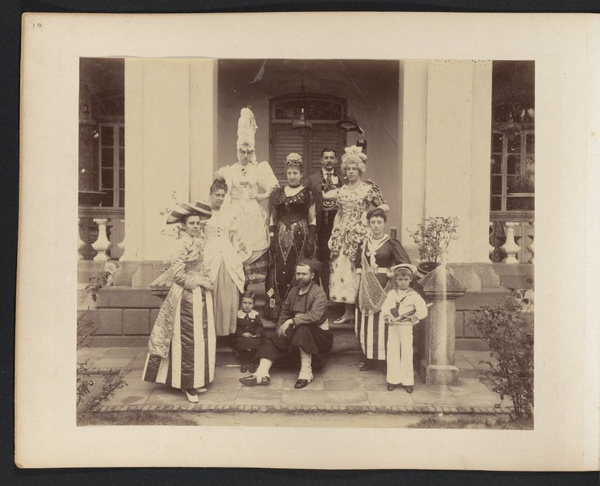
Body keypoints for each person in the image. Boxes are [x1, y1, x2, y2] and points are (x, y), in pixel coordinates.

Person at [142, 201, 215, 403]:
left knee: (199, 339)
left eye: (198, 223)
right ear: (182, 225)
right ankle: (186, 384)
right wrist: (200, 281)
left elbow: (200, 266)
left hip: (200, 295)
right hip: (185, 297)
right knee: (186, 340)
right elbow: (178, 275)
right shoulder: (181, 243)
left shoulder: (197, 241)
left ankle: (195, 378)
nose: (196, 226)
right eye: (192, 223)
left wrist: (207, 279)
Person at [239, 260, 333, 390]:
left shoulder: (319, 293)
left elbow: (315, 316)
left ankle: (306, 373)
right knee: (272, 338)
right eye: (298, 274)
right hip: (298, 335)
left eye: (303, 274)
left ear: (312, 276)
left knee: (303, 329)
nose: (299, 277)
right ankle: (262, 373)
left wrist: (290, 321)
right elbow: (284, 312)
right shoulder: (294, 291)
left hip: (318, 339)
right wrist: (280, 330)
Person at [216, 107, 279, 285]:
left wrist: (259, 196)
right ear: (237, 151)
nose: (245, 155)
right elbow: (220, 194)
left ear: (252, 152)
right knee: (235, 253)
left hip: (252, 217)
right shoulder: (229, 171)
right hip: (235, 215)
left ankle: (248, 298)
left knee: (252, 249)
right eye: (242, 151)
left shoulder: (259, 169)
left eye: (248, 152)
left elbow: (274, 189)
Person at [328, 145, 389, 324]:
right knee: (343, 270)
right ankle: (347, 311)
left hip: (360, 233)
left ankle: (362, 309)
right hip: (342, 234)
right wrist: (334, 233)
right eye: (348, 169)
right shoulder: (342, 190)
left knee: (359, 270)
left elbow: (385, 206)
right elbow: (338, 214)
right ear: (345, 171)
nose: (351, 171)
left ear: (360, 169)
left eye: (354, 168)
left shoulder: (367, 189)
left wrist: (368, 216)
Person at [304, 133, 366, 298]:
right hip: (320, 223)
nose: (329, 160)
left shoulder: (344, 178)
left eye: (332, 158)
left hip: (339, 222)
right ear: (321, 160)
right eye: (326, 158)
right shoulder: (312, 179)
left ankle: (336, 292)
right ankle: (320, 292)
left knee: (338, 258)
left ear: (337, 160)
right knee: (321, 257)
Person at [354, 208, 412, 371]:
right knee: (365, 322)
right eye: (373, 222)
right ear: (369, 224)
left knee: (383, 321)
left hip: (384, 285)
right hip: (366, 285)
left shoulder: (391, 243)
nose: (376, 226)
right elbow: (358, 264)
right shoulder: (364, 242)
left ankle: (386, 359)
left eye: (379, 222)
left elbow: (404, 264)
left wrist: (392, 272)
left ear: (384, 224)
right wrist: (358, 282)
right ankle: (369, 358)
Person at [264, 153, 317, 320]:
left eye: (295, 173)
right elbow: (273, 217)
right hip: (280, 237)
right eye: (289, 173)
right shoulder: (278, 193)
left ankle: (296, 309)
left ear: (301, 174)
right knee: (279, 269)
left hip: (300, 237)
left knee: (298, 268)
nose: (292, 176)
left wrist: (310, 239)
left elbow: (312, 217)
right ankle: (276, 309)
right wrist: (272, 237)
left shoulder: (308, 193)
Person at [203, 176, 246, 339]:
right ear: (211, 194)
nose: (220, 198)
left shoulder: (229, 214)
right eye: (217, 195)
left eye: (223, 195)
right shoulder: (203, 212)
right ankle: (211, 331)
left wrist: (240, 249)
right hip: (210, 253)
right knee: (213, 291)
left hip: (227, 253)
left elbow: (234, 237)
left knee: (229, 292)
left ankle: (228, 330)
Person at [381, 264, 428, 393]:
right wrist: (388, 317)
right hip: (394, 326)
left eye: (405, 279)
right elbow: (385, 308)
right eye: (400, 280)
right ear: (395, 280)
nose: (403, 282)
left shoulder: (414, 295)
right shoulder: (391, 294)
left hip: (406, 327)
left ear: (410, 280)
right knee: (392, 352)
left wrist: (412, 318)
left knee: (407, 353)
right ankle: (392, 380)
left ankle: (408, 381)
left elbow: (423, 311)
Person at [232, 291, 264, 374]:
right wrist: (242, 333)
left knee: (255, 344)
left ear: (253, 305)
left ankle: (251, 363)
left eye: (250, 303)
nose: (247, 305)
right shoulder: (238, 314)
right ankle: (244, 362)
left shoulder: (255, 314)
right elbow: (235, 326)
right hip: (241, 336)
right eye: (244, 303)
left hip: (252, 336)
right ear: (240, 303)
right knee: (242, 343)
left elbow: (260, 326)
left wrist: (257, 333)